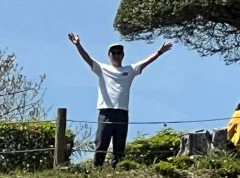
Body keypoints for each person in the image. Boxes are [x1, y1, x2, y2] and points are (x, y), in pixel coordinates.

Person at [68, 32, 172, 168]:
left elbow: (145, 62)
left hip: (122, 112)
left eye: (119, 53)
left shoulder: (130, 70)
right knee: (101, 143)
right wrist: (78, 45)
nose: (116, 55)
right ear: (109, 55)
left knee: (119, 145)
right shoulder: (102, 68)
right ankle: (97, 168)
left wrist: (159, 52)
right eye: (114, 53)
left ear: (123, 55)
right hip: (106, 112)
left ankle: (117, 169)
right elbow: (88, 59)